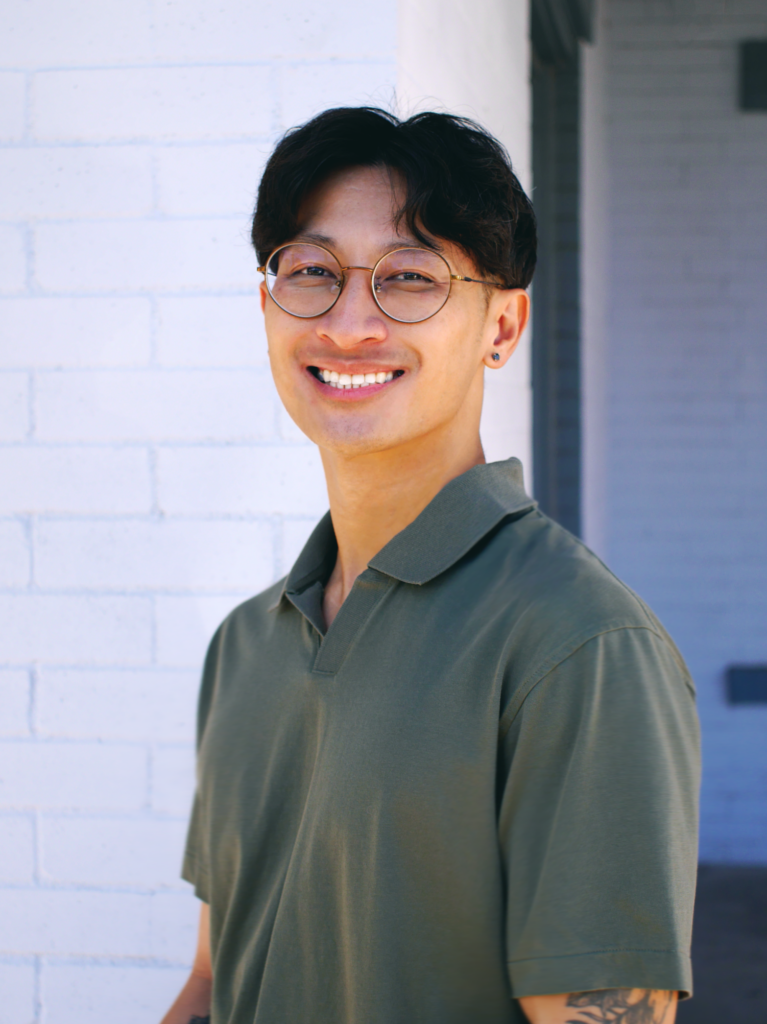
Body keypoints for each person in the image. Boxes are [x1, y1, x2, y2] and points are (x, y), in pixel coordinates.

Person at [160, 107, 700, 1024]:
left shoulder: (579, 646)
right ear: (268, 306)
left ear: (502, 327)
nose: (351, 322)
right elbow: (217, 981)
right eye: (312, 273)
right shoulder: (245, 644)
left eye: (410, 278)